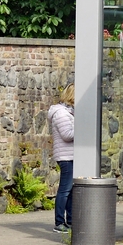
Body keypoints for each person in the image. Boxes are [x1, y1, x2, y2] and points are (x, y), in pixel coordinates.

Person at [48, 84, 75, 234]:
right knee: (65, 190)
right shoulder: (62, 114)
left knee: (70, 190)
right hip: (66, 156)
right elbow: (67, 134)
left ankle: (70, 221)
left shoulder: (69, 113)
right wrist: (83, 128)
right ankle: (59, 222)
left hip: (70, 155)